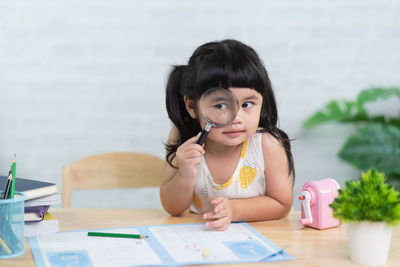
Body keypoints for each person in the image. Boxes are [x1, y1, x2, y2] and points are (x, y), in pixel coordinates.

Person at [160, 39, 294, 231]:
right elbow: (172, 208)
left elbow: (281, 204)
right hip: (198, 237)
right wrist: (184, 174)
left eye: (247, 104)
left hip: (260, 240)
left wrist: (235, 209)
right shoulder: (183, 138)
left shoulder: (267, 144)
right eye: (221, 105)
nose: (236, 117)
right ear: (192, 106)